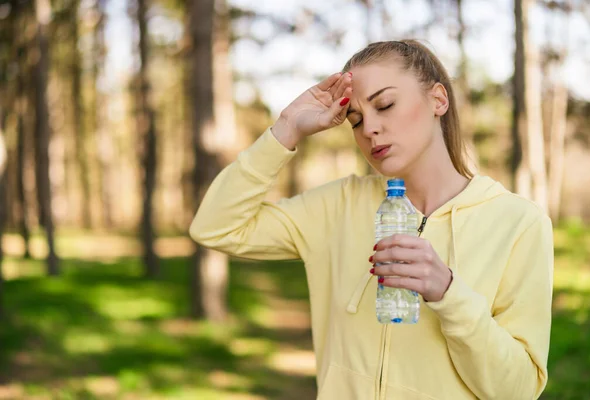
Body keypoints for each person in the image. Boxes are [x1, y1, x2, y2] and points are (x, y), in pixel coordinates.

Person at [189, 40, 554, 400]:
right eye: (356, 120)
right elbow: (216, 227)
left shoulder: (519, 223)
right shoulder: (338, 205)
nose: (369, 129)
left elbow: (518, 390)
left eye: (385, 104)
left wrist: (449, 293)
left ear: (438, 99)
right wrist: (286, 128)